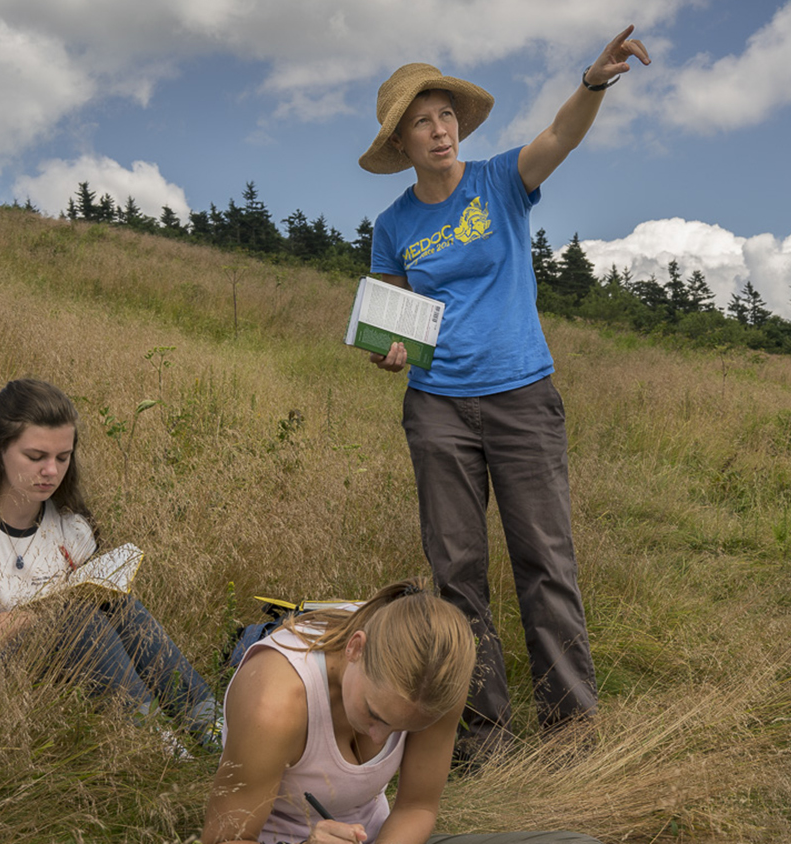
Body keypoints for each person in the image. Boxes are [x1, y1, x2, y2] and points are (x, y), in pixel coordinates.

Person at [357, 25, 650, 764]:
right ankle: (485, 741)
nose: (440, 129)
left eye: (446, 115)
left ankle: (573, 737)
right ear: (401, 143)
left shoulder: (498, 181)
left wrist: (593, 82)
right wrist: (389, 356)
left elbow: (559, 136)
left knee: (545, 562)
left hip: (522, 397)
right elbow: (393, 322)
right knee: (456, 575)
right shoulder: (393, 227)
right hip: (437, 409)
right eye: (422, 122)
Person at [0, 378, 219, 750]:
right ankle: (162, 751)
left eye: (63, 457)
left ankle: (218, 735)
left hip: (46, 687)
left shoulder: (70, 525)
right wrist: (57, 613)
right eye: (36, 457)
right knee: (78, 621)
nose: (51, 472)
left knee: (120, 607)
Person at [202, 578, 602, 844]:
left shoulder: (436, 679)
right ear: (355, 649)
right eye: (376, 714)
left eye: (403, 729)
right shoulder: (275, 702)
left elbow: (417, 806)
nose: (380, 738)